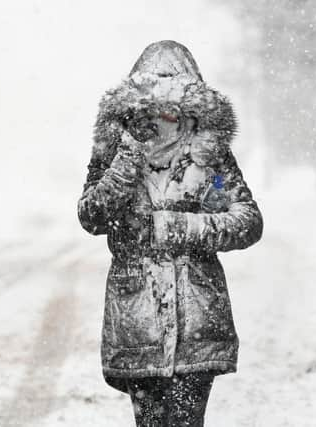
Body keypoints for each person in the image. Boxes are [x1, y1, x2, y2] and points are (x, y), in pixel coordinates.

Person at [78, 40, 263, 426]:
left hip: (198, 318)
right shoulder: (115, 151)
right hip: (136, 321)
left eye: (174, 101)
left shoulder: (209, 154)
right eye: (152, 101)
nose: (163, 112)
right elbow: (92, 216)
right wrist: (128, 157)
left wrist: (180, 228)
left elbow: (247, 221)